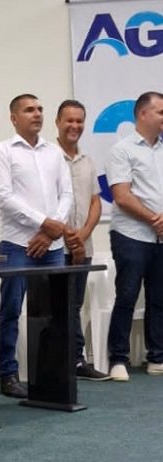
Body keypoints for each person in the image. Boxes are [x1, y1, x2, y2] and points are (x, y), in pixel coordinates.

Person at [0, 94, 73, 398]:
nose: (37, 114)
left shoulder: (54, 152)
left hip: (53, 247)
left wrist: (52, 231)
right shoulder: (2, 150)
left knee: (53, 312)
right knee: (11, 310)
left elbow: (67, 194)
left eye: (39, 109)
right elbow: (4, 197)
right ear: (14, 118)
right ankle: (8, 374)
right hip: (17, 245)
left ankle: (49, 372)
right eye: (29, 110)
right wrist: (44, 222)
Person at [105, 91, 163, 382]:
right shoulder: (122, 149)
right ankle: (118, 358)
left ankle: (157, 356)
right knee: (127, 295)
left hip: (160, 237)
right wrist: (155, 219)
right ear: (142, 114)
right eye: (161, 112)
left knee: (159, 298)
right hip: (131, 234)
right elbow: (122, 196)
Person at [55, 99, 109, 381]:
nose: (74, 126)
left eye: (79, 121)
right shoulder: (48, 158)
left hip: (83, 246)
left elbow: (95, 202)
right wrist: (69, 237)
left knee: (74, 305)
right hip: (55, 246)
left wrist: (83, 235)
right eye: (69, 120)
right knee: (56, 306)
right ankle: (60, 363)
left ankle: (76, 362)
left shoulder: (88, 161)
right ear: (58, 122)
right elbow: (45, 203)